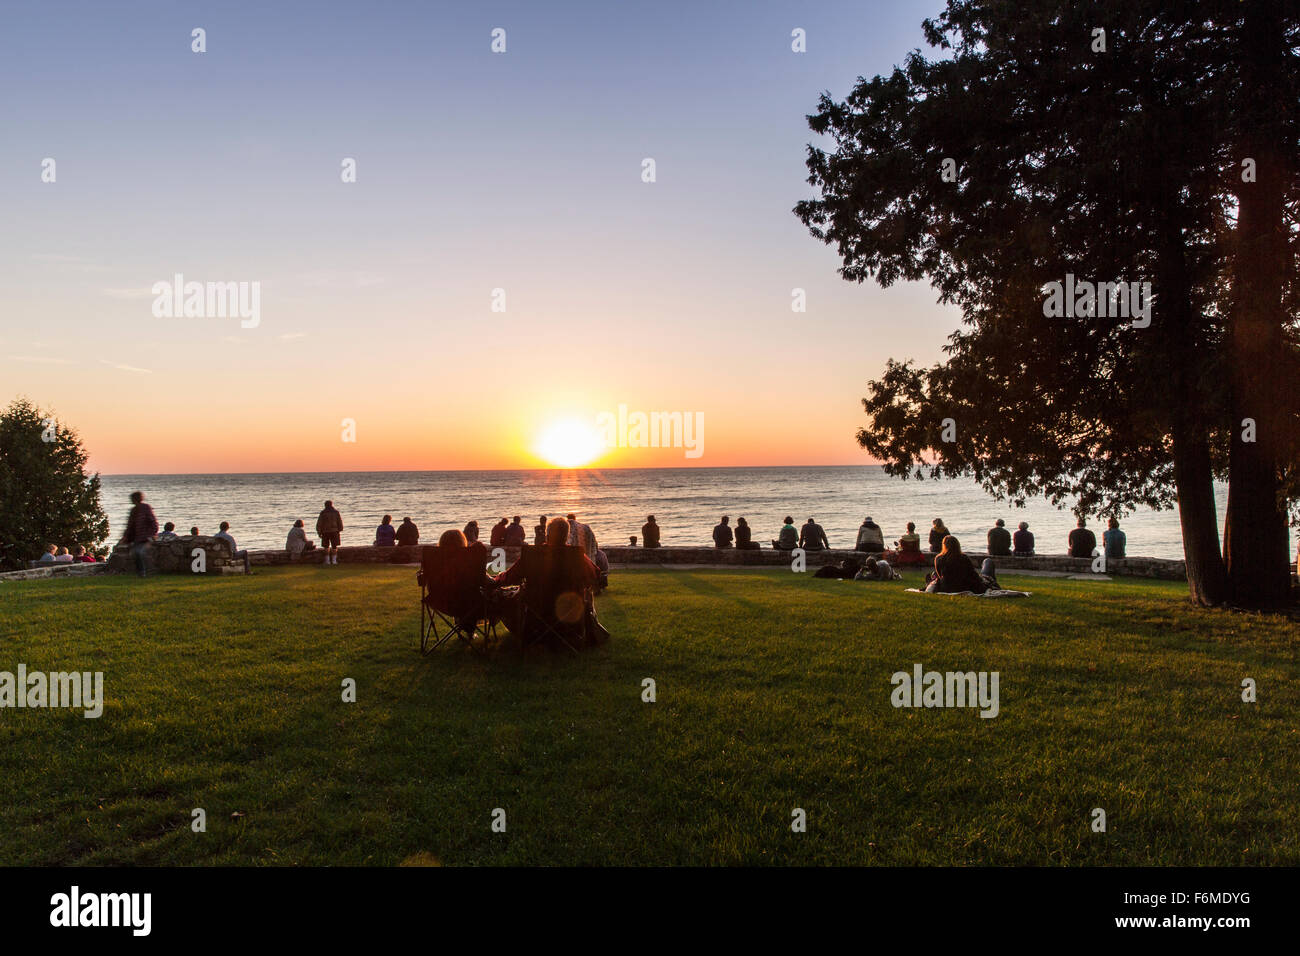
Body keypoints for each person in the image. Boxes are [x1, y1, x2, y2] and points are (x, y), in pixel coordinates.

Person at [491, 517, 607, 642]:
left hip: (537, 612)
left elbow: (510, 576)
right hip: (569, 612)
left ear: (547, 535)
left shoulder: (532, 555)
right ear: (566, 536)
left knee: (503, 597)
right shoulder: (576, 555)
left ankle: (526, 633)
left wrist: (495, 580)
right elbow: (595, 574)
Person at [123, 490, 158, 578]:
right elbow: (130, 525)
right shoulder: (133, 510)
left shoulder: (146, 508)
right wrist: (126, 536)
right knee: (135, 553)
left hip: (146, 537)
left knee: (139, 552)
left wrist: (152, 534)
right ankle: (141, 572)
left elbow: (153, 522)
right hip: (137, 538)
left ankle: (144, 572)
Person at [316, 500, 343, 566]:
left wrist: (319, 532)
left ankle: (327, 561)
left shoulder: (323, 513)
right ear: (331, 504)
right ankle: (334, 561)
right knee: (334, 546)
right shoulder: (336, 512)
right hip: (334, 531)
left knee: (326, 546)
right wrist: (340, 529)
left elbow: (319, 523)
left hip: (325, 532)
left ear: (325, 505)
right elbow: (339, 522)